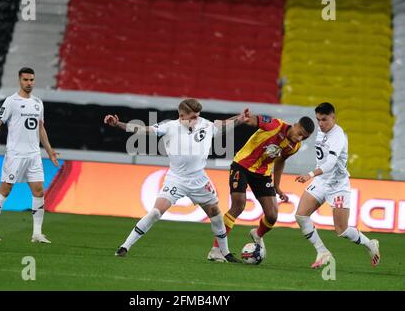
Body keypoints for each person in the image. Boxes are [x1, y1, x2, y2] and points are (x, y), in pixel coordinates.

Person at [105, 98, 249, 262]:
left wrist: (240, 118)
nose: (197, 120)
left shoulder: (204, 124)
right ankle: (124, 246)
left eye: (198, 116)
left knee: (215, 212)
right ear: (181, 115)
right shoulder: (170, 127)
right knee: (155, 212)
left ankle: (225, 253)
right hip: (176, 180)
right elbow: (143, 129)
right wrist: (118, 124)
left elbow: (223, 124)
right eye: (193, 117)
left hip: (199, 180)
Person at [208, 111, 315, 262]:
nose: (299, 138)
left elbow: (280, 161)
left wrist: (277, 187)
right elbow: (254, 121)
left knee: (272, 215)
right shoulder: (275, 125)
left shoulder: (295, 146)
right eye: (299, 133)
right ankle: (216, 250)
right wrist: (246, 119)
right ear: (296, 125)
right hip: (242, 166)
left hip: (262, 174)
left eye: (304, 137)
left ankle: (257, 234)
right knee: (238, 204)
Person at [295, 102, 380, 268]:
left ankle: (370, 244)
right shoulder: (321, 131)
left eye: (324, 119)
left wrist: (310, 175)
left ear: (333, 118)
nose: (320, 123)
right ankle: (323, 252)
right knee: (301, 215)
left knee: (341, 230)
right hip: (321, 182)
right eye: (318, 119)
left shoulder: (338, 135)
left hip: (337, 185)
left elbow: (331, 163)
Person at [0, 67, 59, 243]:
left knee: (39, 191)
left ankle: (37, 234)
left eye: (31, 80)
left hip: (33, 156)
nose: (29, 83)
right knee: (5, 190)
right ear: (19, 80)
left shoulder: (38, 102)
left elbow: (40, 128)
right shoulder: (11, 101)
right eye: (25, 80)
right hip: (15, 155)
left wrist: (49, 151)